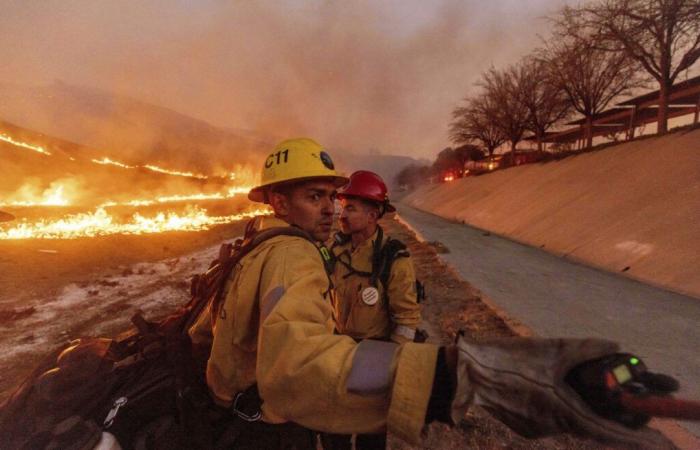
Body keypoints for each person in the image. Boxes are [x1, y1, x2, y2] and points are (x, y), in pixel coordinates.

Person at [188, 137, 672, 450]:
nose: (333, 211)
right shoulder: (292, 255)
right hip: (276, 421)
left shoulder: (253, 247)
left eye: (333, 199)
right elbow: (300, 363)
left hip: (274, 403)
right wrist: (454, 376)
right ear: (278, 200)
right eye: (315, 197)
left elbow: (207, 336)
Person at [322, 170, 420, 450]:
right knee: (333, 434)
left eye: (350, 208)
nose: (342, 214)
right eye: (342, 206)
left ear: (373, 215)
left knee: (370, 437)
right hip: (336, 354)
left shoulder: (393, 257)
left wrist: (392, 367)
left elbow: (407, 320)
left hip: (374, 358)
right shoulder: (336, 249)